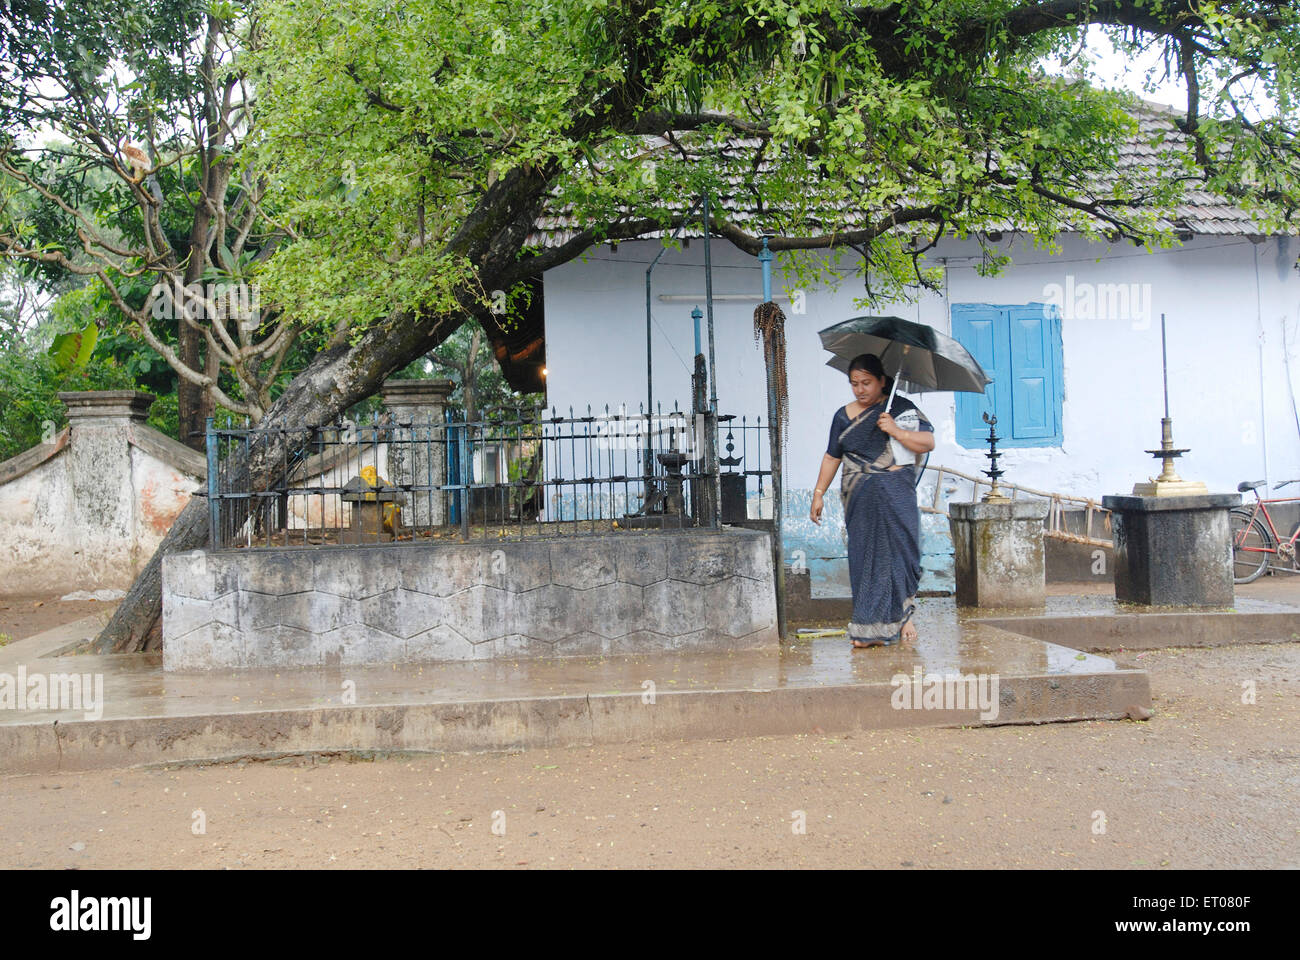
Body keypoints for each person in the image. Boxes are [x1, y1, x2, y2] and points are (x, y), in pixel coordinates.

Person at [810, 354, 935, 647]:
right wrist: (818, 494)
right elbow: (832, 456)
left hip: (897, 494)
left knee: (903, 555)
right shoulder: (843, 416)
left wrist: (896, 430)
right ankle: (868, 629)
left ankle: (903, 616)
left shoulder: (902, 409)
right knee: (865, 558)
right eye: (854, 384)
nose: (860, 390)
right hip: (860, 497)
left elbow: (927, 443)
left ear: (882, 381)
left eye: (866, 383)